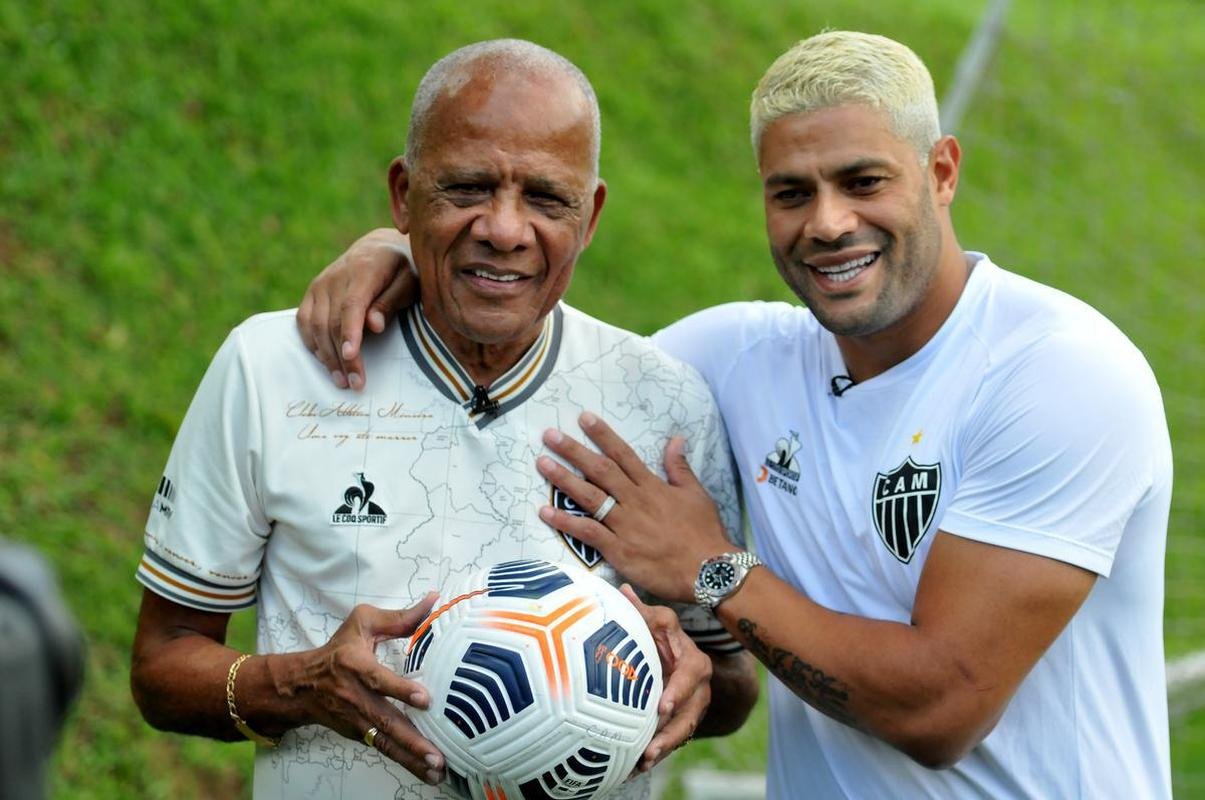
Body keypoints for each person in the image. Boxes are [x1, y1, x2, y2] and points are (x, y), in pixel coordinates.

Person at [299, 31, 1173, 799]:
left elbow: (940, 709)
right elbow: (531, 336)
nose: (827, 223)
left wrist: (711, 570)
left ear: (940, 172)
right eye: (790, 193)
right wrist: (398, 249)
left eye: (862, 182)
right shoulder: (738, 357)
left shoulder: (1058, 373)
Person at [131, 39, 758, 800]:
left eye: (546, 198)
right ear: (403, 195)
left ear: (590, 215)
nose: (504, 229)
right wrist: (300, 685)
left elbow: (731, 683)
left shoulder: (667, 404)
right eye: (466, 187)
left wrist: (686, 680)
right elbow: (163, 663)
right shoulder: (272, 370)